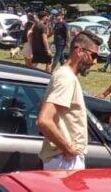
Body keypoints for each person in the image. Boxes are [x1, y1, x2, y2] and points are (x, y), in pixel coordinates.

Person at [37, 30, 103, 170]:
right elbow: (44, 120)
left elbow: (41, 107)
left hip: (63, 159)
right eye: (93, 55)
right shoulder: (66, 78)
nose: (95, 62)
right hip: (64, 160)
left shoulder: (63, 74)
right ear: (79, 51)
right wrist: (68, 148)